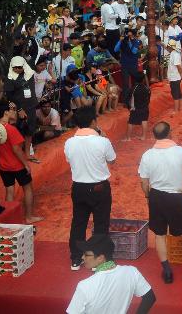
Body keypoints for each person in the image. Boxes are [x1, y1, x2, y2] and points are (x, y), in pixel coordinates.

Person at [138, 121, 182, 284]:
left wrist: (148, 196)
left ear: (155, 136)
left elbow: (143, 181)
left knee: (160, 234)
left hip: (156, 196)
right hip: (176, 196)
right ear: (170, 133)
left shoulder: (147, 155)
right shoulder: (180, 151)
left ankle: (167, 271)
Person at [65, 106, 116, 271]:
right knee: (101, 223)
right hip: (99, 188)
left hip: (78, 187)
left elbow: (69, 160)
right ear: (93, 121)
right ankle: (96, 260)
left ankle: (75, 259)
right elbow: (112, 160)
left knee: (78, 223)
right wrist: (104, 138)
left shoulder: (69, 142)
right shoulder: (102, 141)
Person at [66, 234, 156, 314]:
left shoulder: (84, 286)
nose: (82, 257)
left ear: (101, 258)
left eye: (86, 254)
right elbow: (150, 298)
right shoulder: (131, 272)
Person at [0, 107, 43, 223]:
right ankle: (28, 217)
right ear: (6, 112)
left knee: (9, 190)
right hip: (17, 165)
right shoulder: (12, 130)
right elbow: (17, 150)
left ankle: (9, 219)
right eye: (13, 110)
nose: (15, 112)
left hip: (3, 165)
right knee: (28, 189)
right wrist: (26, 164)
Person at [3, 56, 39, 163]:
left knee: (30, 130)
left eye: (20, 67)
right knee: (18, 131)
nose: (17, 69)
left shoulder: (30, 73)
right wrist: (19, 110)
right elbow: (9, 96)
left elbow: (35, 53)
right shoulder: (10, 77)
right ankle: (18, 155)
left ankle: (28, 153)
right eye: (15, 67)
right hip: (18, 109)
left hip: (31, 106)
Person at [126, 72, 150, 142]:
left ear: (135, 80)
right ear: (143, 80)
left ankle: (128, 138)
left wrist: (129, 107)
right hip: (145, 107)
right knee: (144, 120)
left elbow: (128, 99)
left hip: (135, 108)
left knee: (130, 122)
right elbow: (148, 99)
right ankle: (144, 137)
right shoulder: (146, 88)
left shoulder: (133, 89)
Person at [166, 39, 182, 115]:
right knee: (178, 92)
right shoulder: (174, 53)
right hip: (175, 76)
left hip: (175, 77)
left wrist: (181, 74)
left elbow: (178, 66)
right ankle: (180, 107)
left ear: (170, 47)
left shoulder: (174, 54)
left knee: (175, 93)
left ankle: (176, 110)